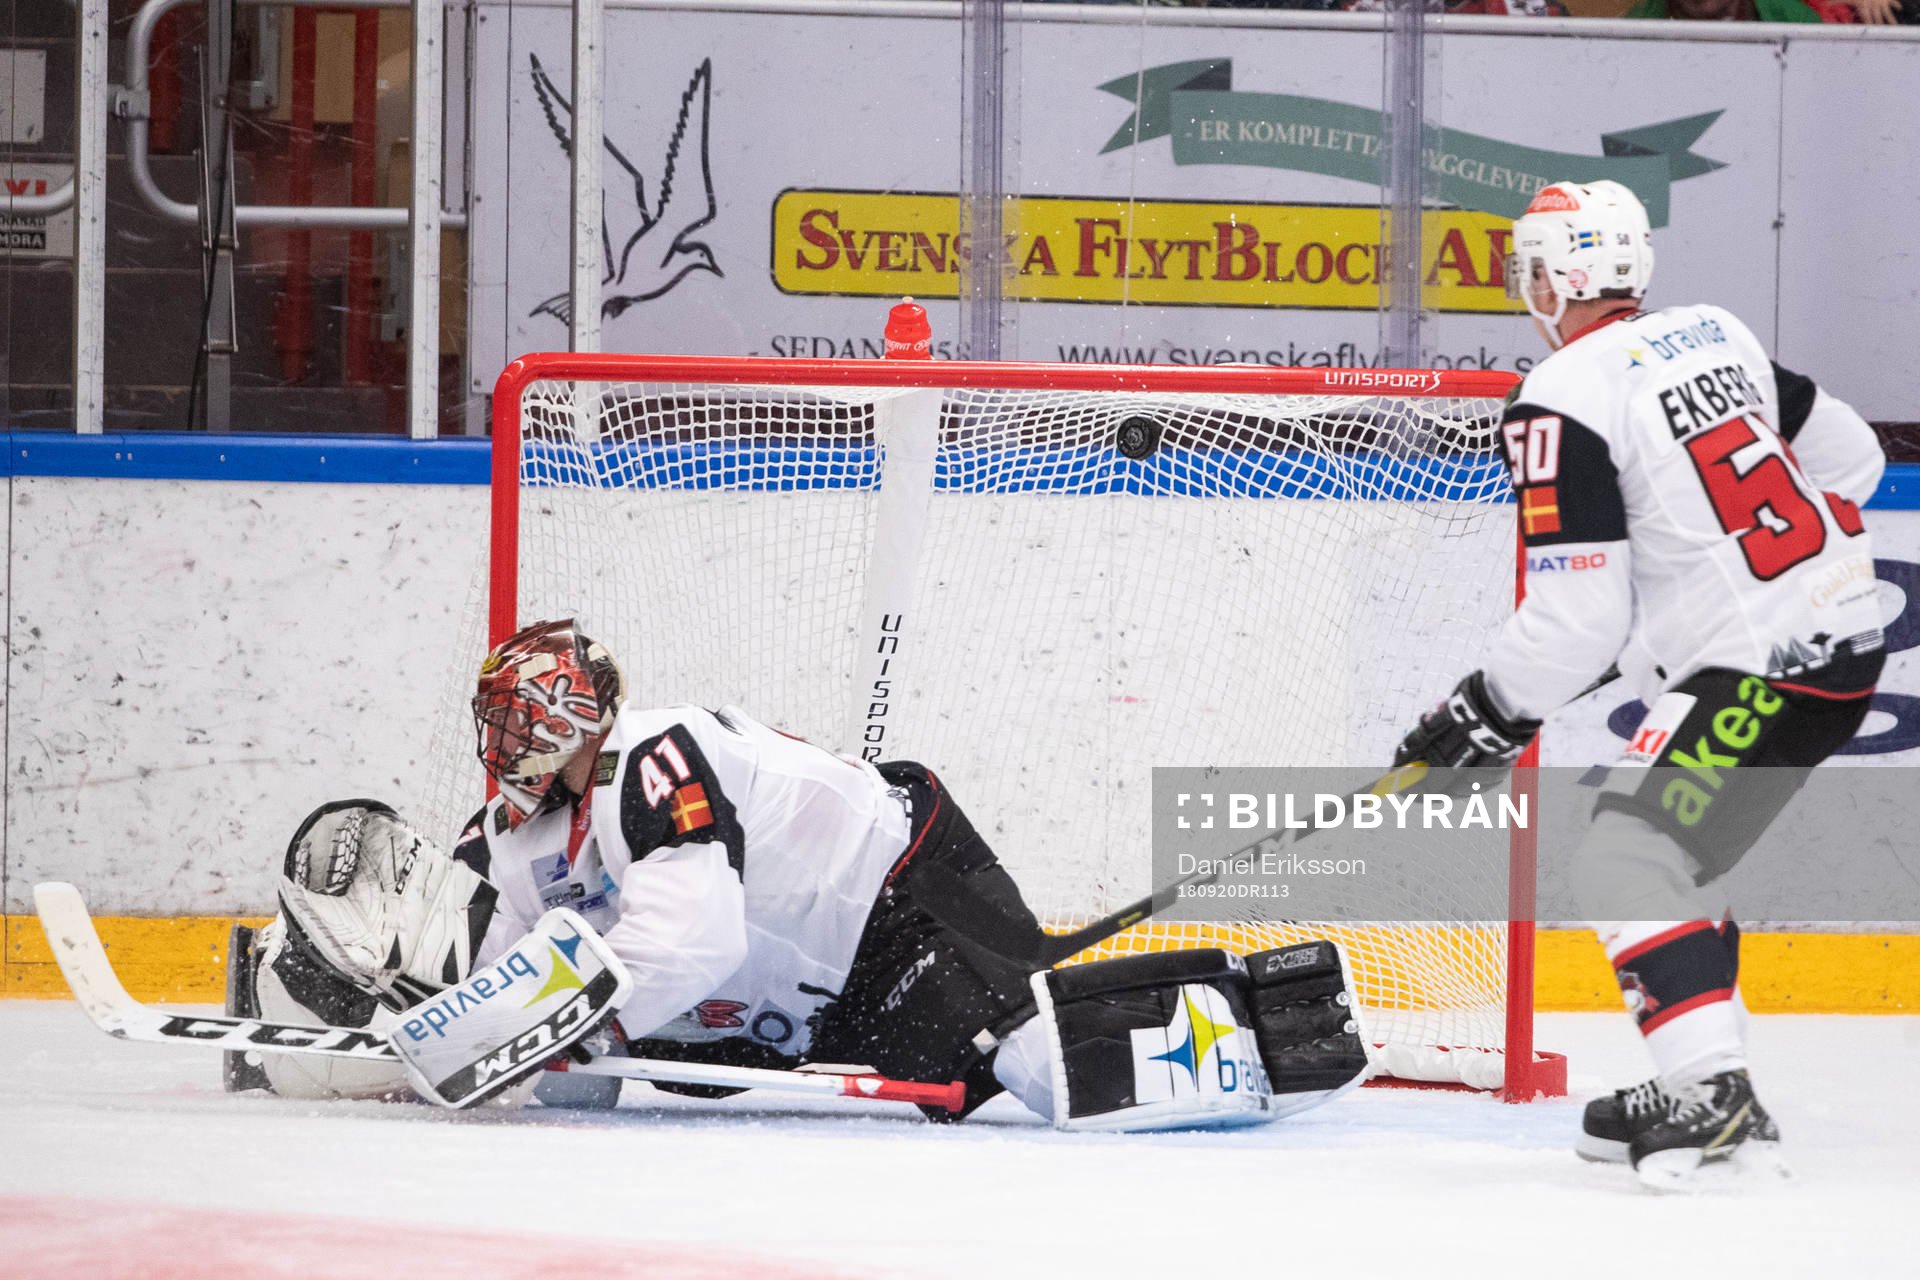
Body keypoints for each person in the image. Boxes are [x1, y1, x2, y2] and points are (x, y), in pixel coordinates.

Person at [230, 619, 1371, 1130]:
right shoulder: (523, 832)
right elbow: (527, 991)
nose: (499, 741)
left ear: (562, 718)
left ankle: (1283, 1019)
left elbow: (687, 943)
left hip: (901, 893)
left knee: (1035, 1069)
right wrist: (416, 1022)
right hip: (813, 982)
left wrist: (552, 1030)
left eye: (514, 720)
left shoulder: (655, 756)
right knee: (960, 1093)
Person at [1390, 179, 1885, 1188]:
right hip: (1845, 637)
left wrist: (1481, 711)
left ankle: (1712, 1090)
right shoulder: (1716, 331)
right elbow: (1857, 460)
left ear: (1559, 277)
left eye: (1530, 268)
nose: (1525, 287)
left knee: (1625, 857)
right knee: (1673, 856)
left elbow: (1577, 619)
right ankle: (1713, 1074)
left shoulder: (1559, 395)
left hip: (1764, 666)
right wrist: (1739, 581)